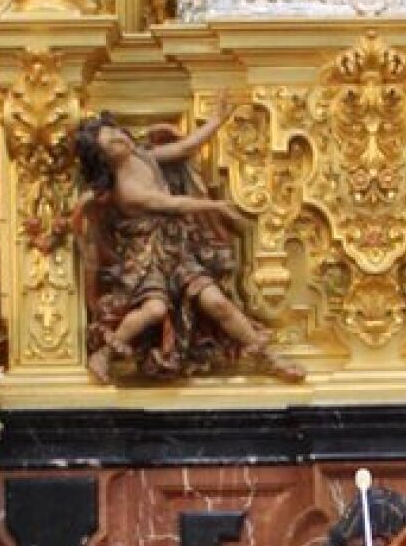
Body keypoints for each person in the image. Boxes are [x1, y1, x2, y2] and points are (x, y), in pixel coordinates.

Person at [75, 96, 305, 383]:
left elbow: (184, 147)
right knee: (154, 309)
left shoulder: (142, 156)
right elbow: (172, 205)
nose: (122, 139)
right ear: (103, 159)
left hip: (177, 248)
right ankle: (106, 353)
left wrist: (216, 121)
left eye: (118, 133)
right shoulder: (127, 190)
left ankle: (266, 356)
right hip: (147, 257)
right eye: (112, 142)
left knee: (216, 302)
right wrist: (215, 206)